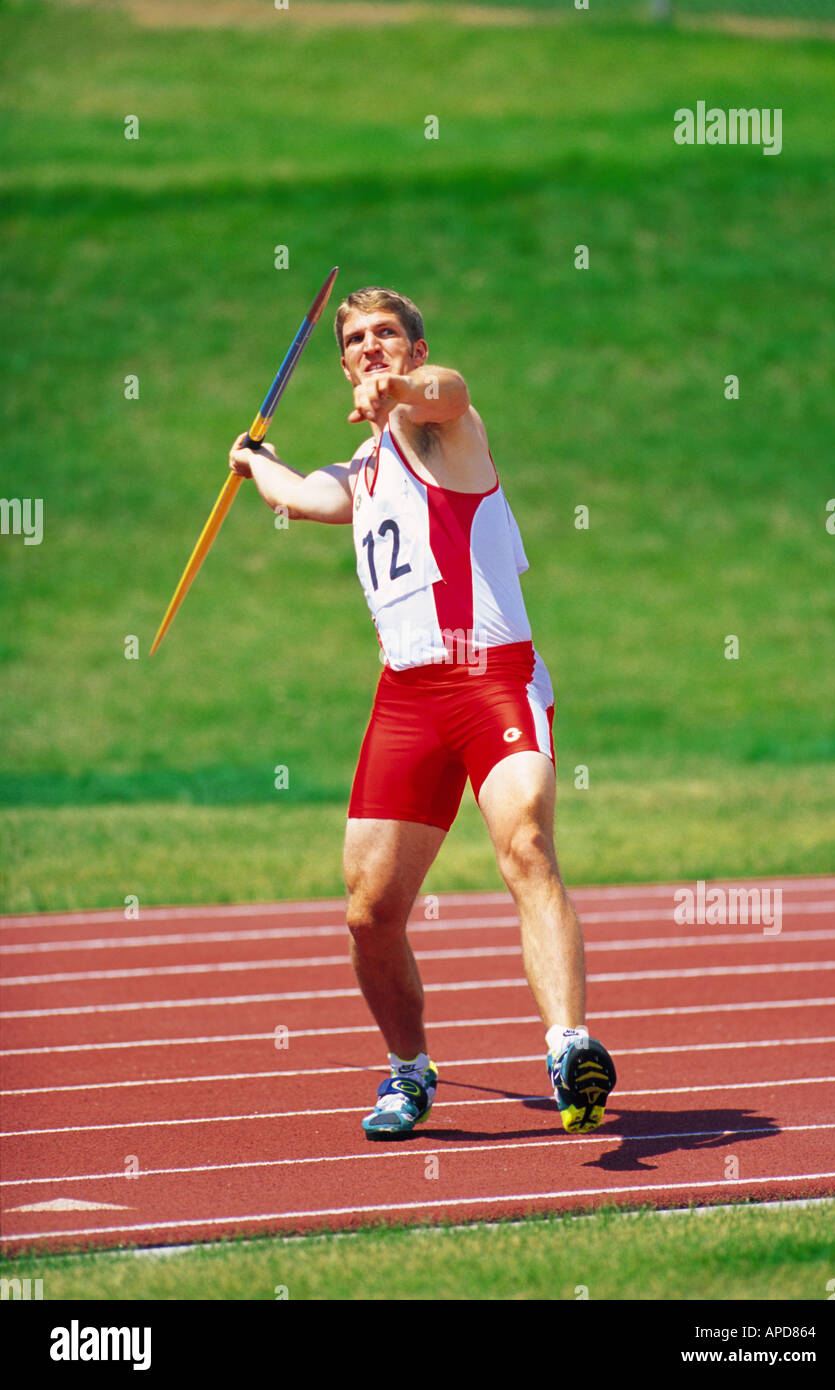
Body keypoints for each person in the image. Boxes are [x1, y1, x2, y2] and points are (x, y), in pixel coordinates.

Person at [229, 286, 616, 1140]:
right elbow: (297, 496)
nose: (372, 347)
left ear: (413, 344)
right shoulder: (362, 470)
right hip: (406, 697)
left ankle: (568, 1049)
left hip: (492, 681)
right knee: (370, 913)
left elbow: (449, 388)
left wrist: (401, 393)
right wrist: (252, 462)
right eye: (358, 340)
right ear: (340, 361)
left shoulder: (444, 427)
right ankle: (409, 1071)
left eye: (387, 335)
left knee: (526, 845)